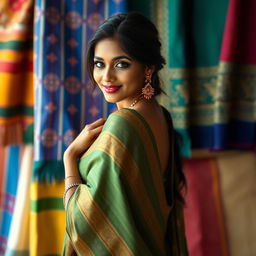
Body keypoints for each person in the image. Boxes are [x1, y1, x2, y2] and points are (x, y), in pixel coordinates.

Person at [62, 12, 188, 256]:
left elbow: (83, 224)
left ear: (148, 68)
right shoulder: (160, 115)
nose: (106, 76)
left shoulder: (123, 125)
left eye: (121, 64)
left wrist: (70, 158)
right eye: (99, 64)